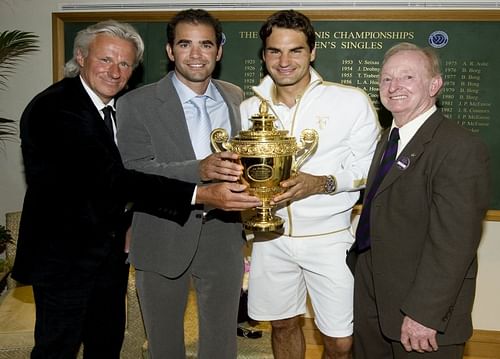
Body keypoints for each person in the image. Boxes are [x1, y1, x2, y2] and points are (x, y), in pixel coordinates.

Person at [11, 20, 260, 359]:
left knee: (105, 343)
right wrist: (199, 191)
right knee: (58, 347)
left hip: (109, 255)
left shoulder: (109, 107)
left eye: (125, 63)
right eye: (105, 60)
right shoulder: (56, 108)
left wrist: (128, 222)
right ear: (80, 58)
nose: (115, 71)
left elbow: (112, 190)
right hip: (64, 259)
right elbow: (113, 179)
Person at [239, 10, 380, 359]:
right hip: (270, 238)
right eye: (274, 51)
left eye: (295, 50)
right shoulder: (248, 108)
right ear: (264, 55)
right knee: (283, 324)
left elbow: (369, 169)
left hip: (330, 239)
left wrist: (323, 183)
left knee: (340, 340)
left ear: (312, 52)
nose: (284, 61)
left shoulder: (350, 101)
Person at [116, 9, 252, 358]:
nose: (196, 54)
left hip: (223, 236)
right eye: (185, 44)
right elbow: (134, 171)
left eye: (205, 44)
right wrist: (200, 169)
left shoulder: (236, 97)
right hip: (162, 233)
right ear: (169, 50)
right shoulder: (135, 103)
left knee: (222, 343)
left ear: (219, 51)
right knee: (164, 345)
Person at [347, 42, 491, 358]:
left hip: (421, 314)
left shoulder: (459, 147)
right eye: (386, 79)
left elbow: (454, 243)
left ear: (434, 85)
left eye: (407, 77)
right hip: (375, 299)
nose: (394, 87)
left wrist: (424, 314)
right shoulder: (387, 138)